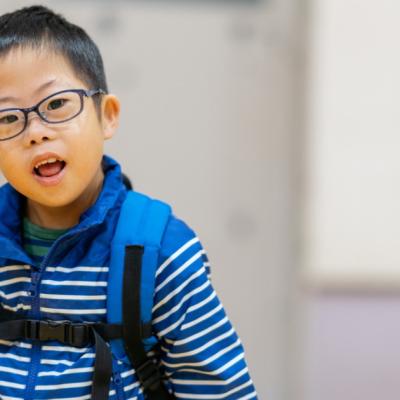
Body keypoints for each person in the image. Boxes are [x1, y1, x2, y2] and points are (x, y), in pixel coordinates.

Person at [0, 5, 257, 400]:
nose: (35, 133)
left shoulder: (160, 249)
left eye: (55, 105)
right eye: (7, 118)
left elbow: (218, 391)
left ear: (107, 116)